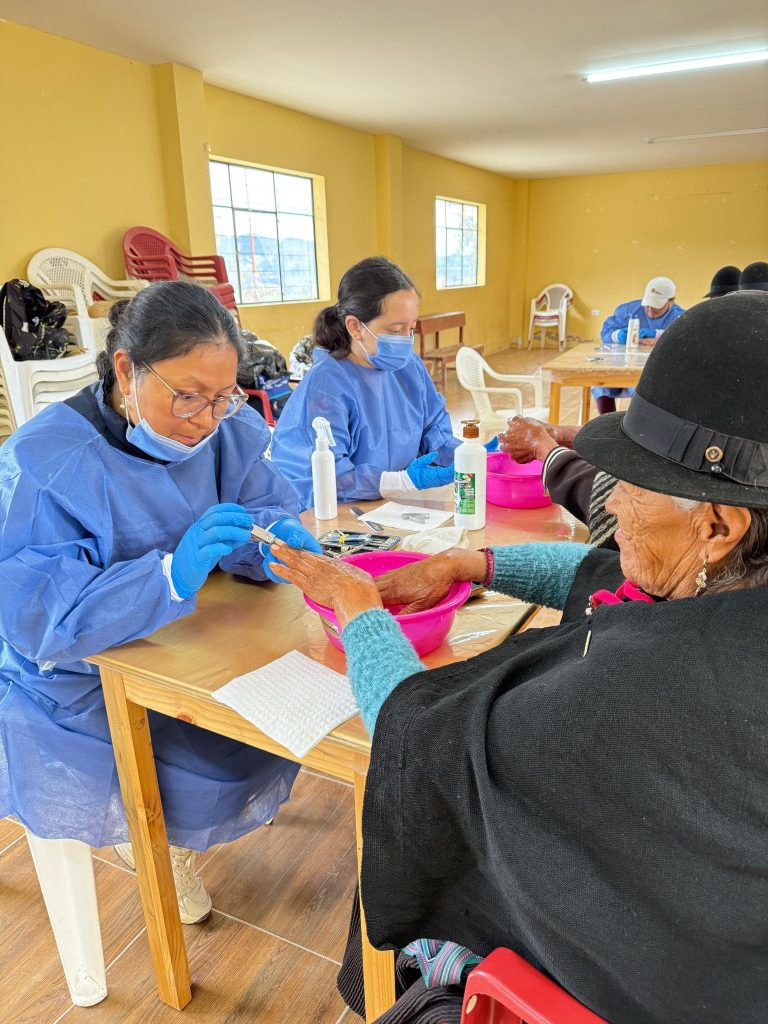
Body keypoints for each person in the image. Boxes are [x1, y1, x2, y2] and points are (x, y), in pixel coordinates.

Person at [266, 291, 768, 1024]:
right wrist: (472, 564)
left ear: (718, 525)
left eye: (628, 487)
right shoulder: (721, 588)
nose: (611, 507)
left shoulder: (637, 698)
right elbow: (602, 574)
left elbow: (421, 733)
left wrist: (358, 610)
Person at [0, 281, 322, 924]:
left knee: (268, 723)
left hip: (185, 637)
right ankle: (146, 838)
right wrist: (168, 577)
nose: (206, 418)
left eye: (223, 395)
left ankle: (161, 827)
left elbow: (261, 505)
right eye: (187, 396)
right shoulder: (44, 460)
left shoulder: (228, 430)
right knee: (179, 764)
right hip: (73, 674)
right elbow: (36, 612)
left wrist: (265, 547)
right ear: (126, 369)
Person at [271, 257, 475, 511]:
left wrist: (468, 456)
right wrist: (402, 480)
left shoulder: (409, 367)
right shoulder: (326, 385)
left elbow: (434, 429)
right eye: (395, 330)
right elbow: (330, 475)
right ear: (355, 326)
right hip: (339, 512)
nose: (405, 340)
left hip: (397, 505)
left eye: (411, 329)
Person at [497, 417, 617, 547]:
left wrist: (543, 447)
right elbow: (634, 435)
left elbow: (607, 495)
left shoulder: (621, 500)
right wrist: (559, 433)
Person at [593, 275, 684, 414]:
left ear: (670, 302)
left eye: (655, 307)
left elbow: (683, 342)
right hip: (620, 364)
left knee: (644, 390)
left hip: (653, 371)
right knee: (601, 382)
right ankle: (606, 421)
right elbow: (606, 332)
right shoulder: (628, 311)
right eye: (647, 304)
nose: (649, 310)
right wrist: (619, 336)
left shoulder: (680, 318)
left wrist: (658, 336)